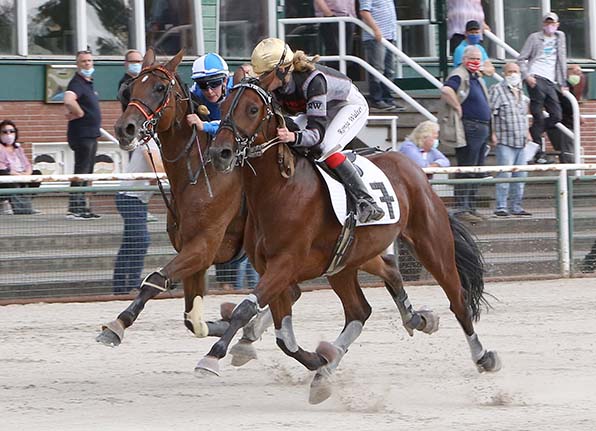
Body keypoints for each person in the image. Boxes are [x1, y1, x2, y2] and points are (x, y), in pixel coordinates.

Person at [251, 37, 384, 223]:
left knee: (325, 147)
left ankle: (366, 201)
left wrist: (292, 136)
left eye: (264, 74)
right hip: (320, 109)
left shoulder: (313, 81)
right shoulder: (276, 85)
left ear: (281, 71)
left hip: (349, 106)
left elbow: (316, 135)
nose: (260, 80)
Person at [185, 54, 259, 290]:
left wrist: (204, 125)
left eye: (215, 83)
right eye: (203, 85)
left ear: (225, 79)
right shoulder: (194, 94)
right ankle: (228, 282)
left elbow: (233, 123)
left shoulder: (239, 91)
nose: (209, 91)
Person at [441, 45, 491, 224]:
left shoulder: (477, 77)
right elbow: (446, 89)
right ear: (464, 59)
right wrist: (457, 106)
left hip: (482, 127)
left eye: (478, 59)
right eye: (472, 58)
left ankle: (471, 206)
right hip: (470, 127)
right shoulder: (459, 74)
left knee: (477, 170)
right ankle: (462, 207)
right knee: (467, 168)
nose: (476, 62)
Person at [396, 120, 450, 281]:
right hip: (406, 201)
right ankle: (407, 276)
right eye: (434, 136)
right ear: (425, 136)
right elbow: (419, 166)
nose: (435, 140)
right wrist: (432, 165)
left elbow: (445, 161)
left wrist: (432, 164)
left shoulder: (431, 150)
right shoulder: (408, 147)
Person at [112, 140, 164, 295]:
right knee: (141, 240)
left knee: (130, 244)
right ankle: (132, 285)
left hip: (137, 199)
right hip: (130, 197)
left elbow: (154, 177)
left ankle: (120, 288)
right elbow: (158, 169)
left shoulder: (155, 144)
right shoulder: (150, 143)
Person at [517, 12, 568, 165]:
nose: (549, 26)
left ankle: (534, 133)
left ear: (557, 24)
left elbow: (562, 60)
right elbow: (521, 58)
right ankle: (539, 153)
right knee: (538, 115)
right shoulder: (534, 37)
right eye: (547, 23)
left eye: (552, 23)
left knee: (556, 115)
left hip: (551, 80)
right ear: (543, 24)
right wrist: (527, 76)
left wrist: (563, 82)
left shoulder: (560, 37)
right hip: (536, 77)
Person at [489, 62, 532, 217]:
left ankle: (516, 206)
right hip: (505, 139)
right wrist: (492, 133)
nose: (513, 74)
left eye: (516, 71)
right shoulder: (497, 90)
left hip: (521, 140)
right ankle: (501, 206)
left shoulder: (521, 92)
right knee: (505, 174)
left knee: (521, 176)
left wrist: (527, 132)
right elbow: (491, 114)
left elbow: (524, 115)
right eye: (510, 71)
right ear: (504, 73)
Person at [63, 50, 102, 220]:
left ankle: (83, 206)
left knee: (88, 172)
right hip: (82, 134)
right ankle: (75, 207)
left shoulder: (88, 83)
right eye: (84, 61)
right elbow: (68, 99)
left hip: (91, 134)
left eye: (89, 61)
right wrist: (78, 113)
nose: (87, 64)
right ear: (78, 64)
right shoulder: (77, 83)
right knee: (82, 170)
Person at [359, 0, 400, 111]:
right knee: (378, 69)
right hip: (375, 37)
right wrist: (376, 29)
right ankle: (376, 99)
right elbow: (364, 11)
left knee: (389, 69)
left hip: (389, 35)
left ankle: (388, 99)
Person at [546, 63, 587, 163]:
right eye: (575, 72)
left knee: (571, 152)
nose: (578, 76)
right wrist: (576, 115)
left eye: (580, 73)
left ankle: (571, 175)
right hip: (562, 125)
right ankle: (570, 176)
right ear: (566, 72)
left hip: (568, 124)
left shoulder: (571, 87)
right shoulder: (559, 86)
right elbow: (566, 105)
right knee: (568, 155)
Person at [0, 120, 41, 215]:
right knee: (8, 178)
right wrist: (17, 175)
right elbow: (2, 167)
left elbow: (27, 164)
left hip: (21, 174)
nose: (9, 134)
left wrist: (27, 173)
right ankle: (21, 209)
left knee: (36, 174)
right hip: (7, 175)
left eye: (11, 131)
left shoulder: (18, 148)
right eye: (5, 132)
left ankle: (24, 204)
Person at [313, 0, 356, 71]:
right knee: (334, 55)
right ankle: (333, 80)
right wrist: (329, 14)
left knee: (346, 57)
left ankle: (343, 80)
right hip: (331, 17)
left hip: (348, 17)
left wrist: (353, 17)